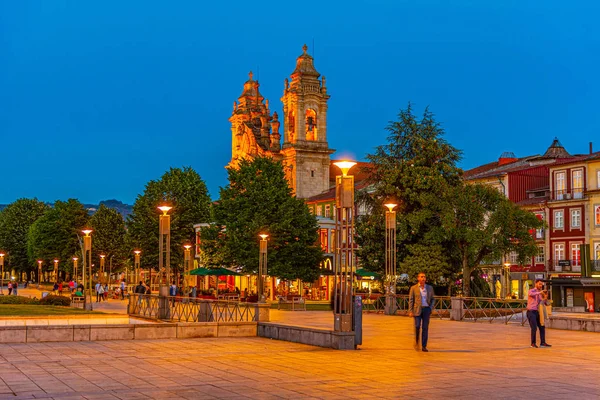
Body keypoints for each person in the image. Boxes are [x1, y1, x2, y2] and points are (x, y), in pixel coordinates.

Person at [408, 272, 435, 352]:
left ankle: (424, 346)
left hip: (426, 309)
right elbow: (411, 300)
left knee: (425, 328)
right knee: (417, 326)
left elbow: (433, 299)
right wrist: (410, 311)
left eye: (424, 277)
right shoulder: (414, 288)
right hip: (417, 310)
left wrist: (430, 308)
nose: (423, 278)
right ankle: (416, 342)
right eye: (421, 277)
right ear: (418, 278)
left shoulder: (429, 288)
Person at [527, 279, 552, 348]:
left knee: (542, 326)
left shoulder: (540, 293)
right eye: (539, 284)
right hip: (531, 311)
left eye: (542, 284)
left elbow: (544, 303)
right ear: (536, 284)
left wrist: (545, 297)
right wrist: (540, 292)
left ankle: (543, 342)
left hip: (537, 312)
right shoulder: (532, 290)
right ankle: (533, 343)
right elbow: (530, 294)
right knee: (534, 327)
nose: (541, 286)